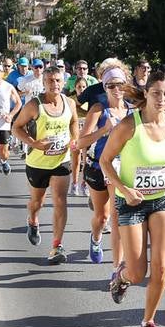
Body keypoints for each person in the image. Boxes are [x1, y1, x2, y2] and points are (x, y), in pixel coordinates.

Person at [100, 70, 165, 327]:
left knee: (161, 269)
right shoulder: (129, 125)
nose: (161, 99)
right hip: (131, 202)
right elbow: (105, 161)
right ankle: (122, 277)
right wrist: (125, 190)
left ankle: (148, 322)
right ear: (146, 94)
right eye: (155, 93)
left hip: (163, 199)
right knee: (138, 272)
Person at [12, 66, 79, 265]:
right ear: (43, 83)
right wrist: (34, 143)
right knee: (37, 203)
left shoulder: (70, 103)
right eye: (50, 81)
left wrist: (74, 139)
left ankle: (57, 245)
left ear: (63, 82)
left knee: (60, 201)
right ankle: (32, 219)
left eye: (58, 80)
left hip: (61, 160)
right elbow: (16, 127)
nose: (54, 84)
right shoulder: (34, 105)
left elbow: (74, 122)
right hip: (37, 163)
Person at [76, 66, 130, 265]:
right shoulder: (99, 109)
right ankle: (96, 238)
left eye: (120, 85)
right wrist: (104, 130)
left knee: (117, 217)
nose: (117, 89)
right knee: (102, 216)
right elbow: (81, 142)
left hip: (122, 168)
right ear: (105, 87)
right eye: (111, 86)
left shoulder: (132, 109)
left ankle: (118, 266)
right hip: (98, 166)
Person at [69, 77, 93, 196]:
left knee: (86, 160)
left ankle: (84, 184)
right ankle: (74, 183)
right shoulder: (71, 100)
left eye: (84, 87)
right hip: (75, 134)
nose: (82, 89)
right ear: (75, 88)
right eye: (79, 87)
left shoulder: (90, 100)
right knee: (76, 159)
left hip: (88, 133)